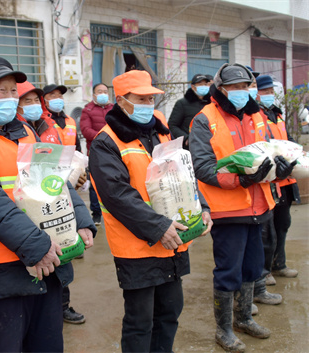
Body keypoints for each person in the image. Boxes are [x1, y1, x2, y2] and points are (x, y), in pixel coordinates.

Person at [0, 56, 96, 352]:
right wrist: (36, 247)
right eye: (1, 91)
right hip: (1, 269)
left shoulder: (25, 131)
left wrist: (81, 218)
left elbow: (53, 179)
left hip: (46, 261)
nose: (11, 98)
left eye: (13, 91)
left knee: (47, 345)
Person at [89, 70, 212, 353]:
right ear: (121, 101)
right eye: (140, 98)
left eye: (150, 98)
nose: (148, 104)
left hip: (174, 240)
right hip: (138, 247)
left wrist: (201, 206)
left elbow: (183, 172)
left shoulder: (161, 131)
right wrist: (158, 227)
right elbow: (117, 195)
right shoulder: (106, 142)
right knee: (140, 320)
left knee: (169, 314)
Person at [190, 64, 296, 353]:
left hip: (258, 205)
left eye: (245, 86)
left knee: (252, 267)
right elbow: (202, 167)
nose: (241, 92)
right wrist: (241, 178)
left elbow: (268, 152)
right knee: (228, 271)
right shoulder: (204, 119)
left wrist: (282, 166)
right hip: (228, 209)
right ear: (220, 89)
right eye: (234, 87)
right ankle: (223, 328)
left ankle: (244, 318)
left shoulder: (256, 114)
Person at [17, 80, 89, 325]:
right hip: (29, 204)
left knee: (61, 252)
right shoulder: (16, 131)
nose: (34, 105)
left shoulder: (49, 126)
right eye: (27, 101)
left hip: (54, 193)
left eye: (36, 100)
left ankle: (62, 305)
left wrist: (73, 178)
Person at [256, 74, 299, 283]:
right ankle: (264, 271)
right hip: (270, 179)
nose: (269, 96)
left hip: (286, 179)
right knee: (267, 230)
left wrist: (296, 155)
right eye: (264, 92)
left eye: (271, 92)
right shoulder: (256, 116)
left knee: (283, 223)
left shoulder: (277, 114)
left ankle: (279, 264)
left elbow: (287, 139)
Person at [80, 83, 113, 226]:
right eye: (100, 91)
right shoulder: (87, 110)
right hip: (95, 151)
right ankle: (96, 214)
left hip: (114, 150)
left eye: (105, 91)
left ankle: (114, 210)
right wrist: (104, 137)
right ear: (94, 94)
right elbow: (86, 130)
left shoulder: (113, 108)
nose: (103, 94)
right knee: (95, 184)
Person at [168, 73, 211, 149]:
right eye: (200, 84)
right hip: (190, 148)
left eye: (205, 84)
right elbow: (172, 125)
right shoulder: (182, 104)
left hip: (209, 145)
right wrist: (186, 138)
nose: (203, 87)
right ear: (193, 87)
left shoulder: (211, 103)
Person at [42, 84, 81, 151]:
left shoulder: (70, 120)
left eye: (60, 96)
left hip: (71, 160)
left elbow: (77, 146)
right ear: (44, 101)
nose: (57, 99)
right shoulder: (41, 121)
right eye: (53, 96)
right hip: (51, 160)